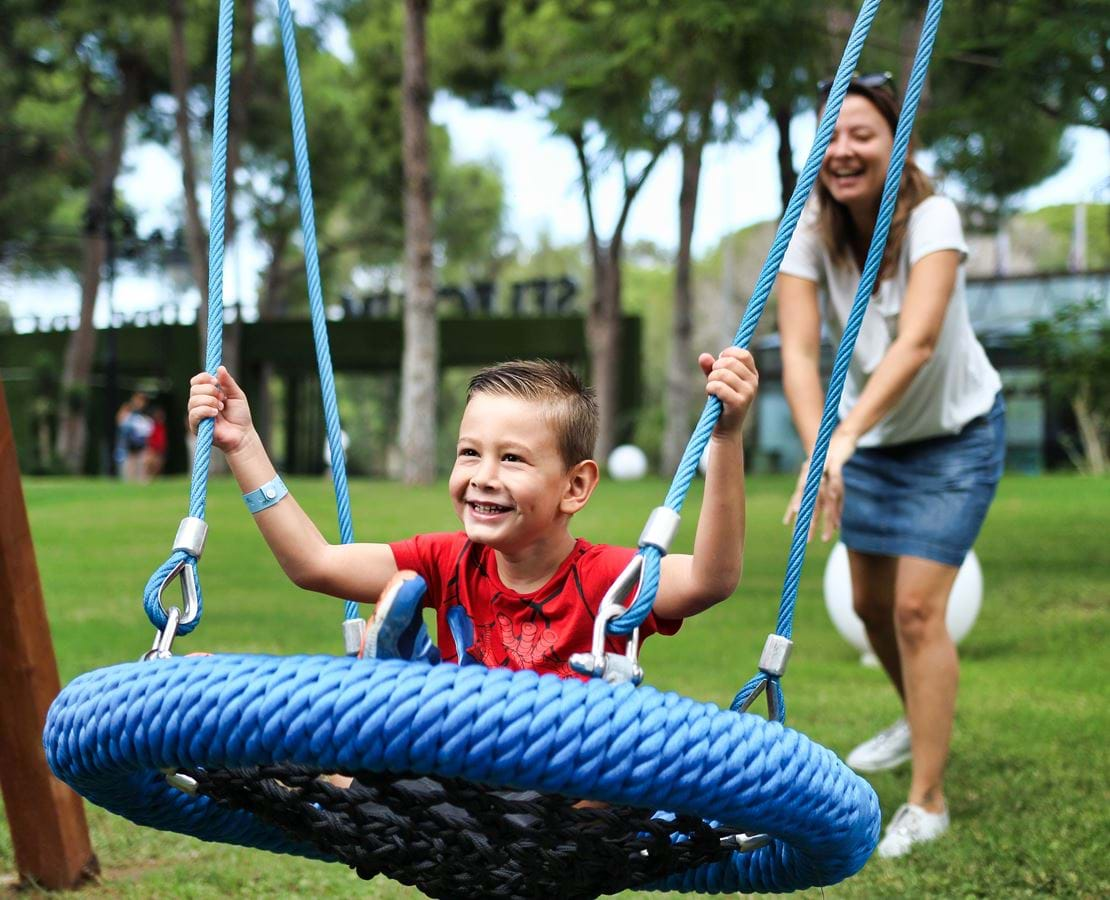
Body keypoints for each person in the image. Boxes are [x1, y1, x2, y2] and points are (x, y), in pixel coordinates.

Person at [187, 353, 758, 680]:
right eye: (469, 453)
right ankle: (386, 684)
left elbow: (711, 580)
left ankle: (399, 683)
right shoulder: (443, 562)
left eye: (512, 458)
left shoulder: (610, 581)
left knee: (611, 757)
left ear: (575, 486)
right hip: (461, 790)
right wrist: (243, 447)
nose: (483, 476)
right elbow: (313, 564)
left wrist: (727, 438)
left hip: (564, 799)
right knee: (343, 758)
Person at [776, 73, 1005, 859]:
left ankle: (929, 799)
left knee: (914, 611)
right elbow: (801, 354)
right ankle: (919, 717)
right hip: (868, 442)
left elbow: (916, 342)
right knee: (873, 611)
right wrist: (821, 453)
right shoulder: (809, 226)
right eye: (831, 136)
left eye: (862, 134)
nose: (843, 151)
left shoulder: (933, 216)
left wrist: (843, 439)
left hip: (954, 437)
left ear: (897, 144)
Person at [116, 392, 153, 482]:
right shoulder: (128, 411)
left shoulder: (146, 414)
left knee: (141, 476)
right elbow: (120, 423)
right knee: (128, 476)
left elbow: (148, 431)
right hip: (128, 449)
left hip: (141, 448)